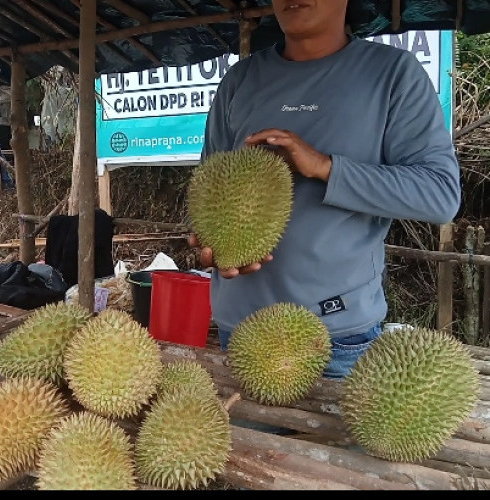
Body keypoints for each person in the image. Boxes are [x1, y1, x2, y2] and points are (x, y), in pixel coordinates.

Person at [190, 0, 461, 379]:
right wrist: (212, 246)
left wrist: (324, 167)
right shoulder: (239, 81)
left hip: (336, 337)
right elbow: (209, 186)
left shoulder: (392, 74)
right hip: (241, 330)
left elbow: (440, 194)